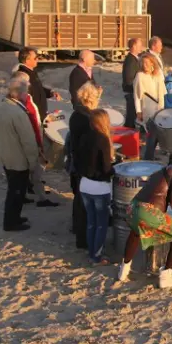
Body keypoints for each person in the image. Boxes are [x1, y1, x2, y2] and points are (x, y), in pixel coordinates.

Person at [118, 146, 172, 289]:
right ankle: (166, 276)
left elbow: (160, 191)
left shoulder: (161, 171)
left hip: (133, 207)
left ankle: (123, 271)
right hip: (148, 211)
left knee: (136, 233)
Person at [0, 76, 39, 231]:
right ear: (21, 94)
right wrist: (33, 162)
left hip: (5, 155)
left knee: (13, 188)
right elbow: (28, 141)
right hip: (18, 159)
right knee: (16, 192)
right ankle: (11, 222)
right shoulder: (18, 113)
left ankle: (15, 217)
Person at [10, 71, 58, 207]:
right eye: (27, 83)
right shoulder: (20, 103)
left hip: (34, 136)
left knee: (32, 170)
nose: (29, 84)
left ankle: (29, 194)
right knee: (37, 169)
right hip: (32, 140)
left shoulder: (26, 99)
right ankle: (41, 198)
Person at [77, 109, 116, 265]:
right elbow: (106, 167)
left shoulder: (84, 136)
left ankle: (91, 251)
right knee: (101, 224)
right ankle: (97, 257)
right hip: (99, 187)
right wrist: (115, 168)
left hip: (85, 185)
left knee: (91, 222)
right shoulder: (102, 140)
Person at [69, 82, 101, 249]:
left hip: (77, 163)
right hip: (84, 165)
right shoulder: (86, 118)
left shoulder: (77, 113)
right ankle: (83, 240)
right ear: (91, 99)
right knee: (85, 204)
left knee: (79, 201)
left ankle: (77, 230)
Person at [16, 47, 62, 121]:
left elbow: (38, 89)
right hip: (33, 117)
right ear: (27, 60)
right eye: (35, 58)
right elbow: (27, 100)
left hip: (39, 116)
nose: (37, 59)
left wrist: (50, 92)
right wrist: (37, 116)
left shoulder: (31, 72)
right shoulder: (23, 75)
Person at [135, 54, 166, 160]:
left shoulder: (158, 76)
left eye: (147, 63)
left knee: (156, 135)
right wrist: (138, 111)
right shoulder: (139, 75)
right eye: (143, 63)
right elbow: (136, 96)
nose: (145, 65)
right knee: (151, 135)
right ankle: (148, 157)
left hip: (158, 109)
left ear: (152, 63)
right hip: (147, 109)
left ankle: (150, 155)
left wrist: (162, 110)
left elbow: (161, 94)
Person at [122, 38, 144, 128]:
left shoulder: (134, 58)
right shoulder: (131, 60)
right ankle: (127, 136)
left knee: (132, 117)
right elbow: (129, 79)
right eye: (140, 45)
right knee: (131, 118)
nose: (141, 47)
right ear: (134, 46)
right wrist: (137, 89)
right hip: (132, 93)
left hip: (133, 92)